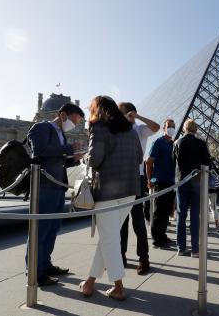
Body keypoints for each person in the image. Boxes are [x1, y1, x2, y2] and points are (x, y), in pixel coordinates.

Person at [79, 96, 142, 301]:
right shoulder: (131, 131)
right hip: (130, 190)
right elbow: (139, 157)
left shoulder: (98, 127)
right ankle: (89, 283)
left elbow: (95, 159)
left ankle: (118, 287)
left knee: (110, 238)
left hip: (107, 191)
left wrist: (85, 157)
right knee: (110, 238)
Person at [26, 103, 84, 286]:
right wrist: (68, 149)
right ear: (63, 115)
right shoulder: (41, 127)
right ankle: (34, 271)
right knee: (40, 230)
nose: (75, 125)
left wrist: (72, 160)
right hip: (44, 186)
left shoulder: (61, 134)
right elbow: (39, 152)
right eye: (75, 121)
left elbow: (56, 161)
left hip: (58, 186)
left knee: (52, 229)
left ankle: (45, 264)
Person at [118, 102, 160, 275]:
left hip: (137, 176)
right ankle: (120, 256)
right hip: (119, 177)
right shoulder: (117, 129)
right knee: (121, 220)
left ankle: (144, 258)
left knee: (137, 219)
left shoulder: (140, 129)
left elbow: (156, 127)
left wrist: (137, 117)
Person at [173, 119, 211, 257]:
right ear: (195, 129)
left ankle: (181, 247)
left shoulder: (178, 142)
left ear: (184, 128)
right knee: (195, 215)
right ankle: (195, 249)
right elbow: (207, 162)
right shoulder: (201, 143)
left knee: (181, 214)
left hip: (182, 180)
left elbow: (174, 160)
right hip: (196, 181)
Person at [146, 119, 177, 248]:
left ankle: (162, 235)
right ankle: (156, 239)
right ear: (164, 128)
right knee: (158, 211)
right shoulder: (158, 142)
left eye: (173, 126)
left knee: (166, 211)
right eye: (169, 126)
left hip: (171, 181)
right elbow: (149, 162)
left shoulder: (173, 144)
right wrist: (150, 180)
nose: (171, 128)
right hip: (160, 181)